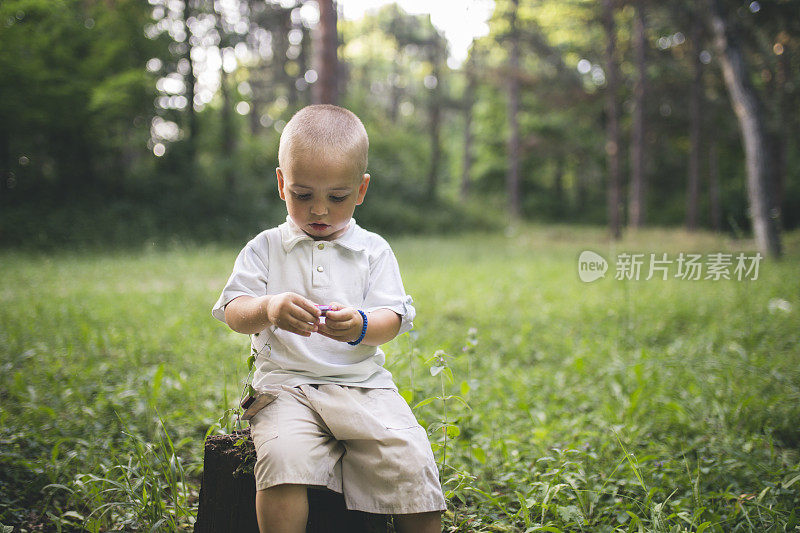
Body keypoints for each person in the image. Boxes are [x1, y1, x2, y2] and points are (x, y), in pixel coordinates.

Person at [212, 104, 445, 533]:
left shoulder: (373, 250)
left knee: (412, 459)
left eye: (336, 197)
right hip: (287, 388)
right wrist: (268, 308)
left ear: (360, 190)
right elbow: (233, 312)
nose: (319, 210)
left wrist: (360, 326)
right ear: (282, 184)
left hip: (364, 387)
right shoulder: (265, 248)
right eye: (304, 195)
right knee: (282, 462)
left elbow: (391, 319)